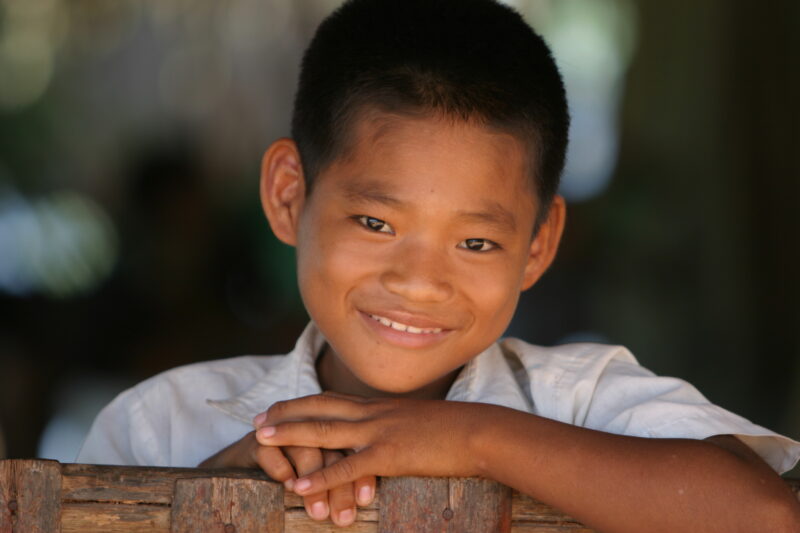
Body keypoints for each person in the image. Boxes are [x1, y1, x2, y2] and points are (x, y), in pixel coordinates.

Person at [77, 0, 800, 530]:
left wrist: (468, 439)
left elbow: (766, 514)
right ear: (289, 194)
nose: (420, 280)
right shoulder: (167, 424)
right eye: (375, 221)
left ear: (539, 245)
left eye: (477, 242)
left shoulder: (582, 401)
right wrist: (201, 500)